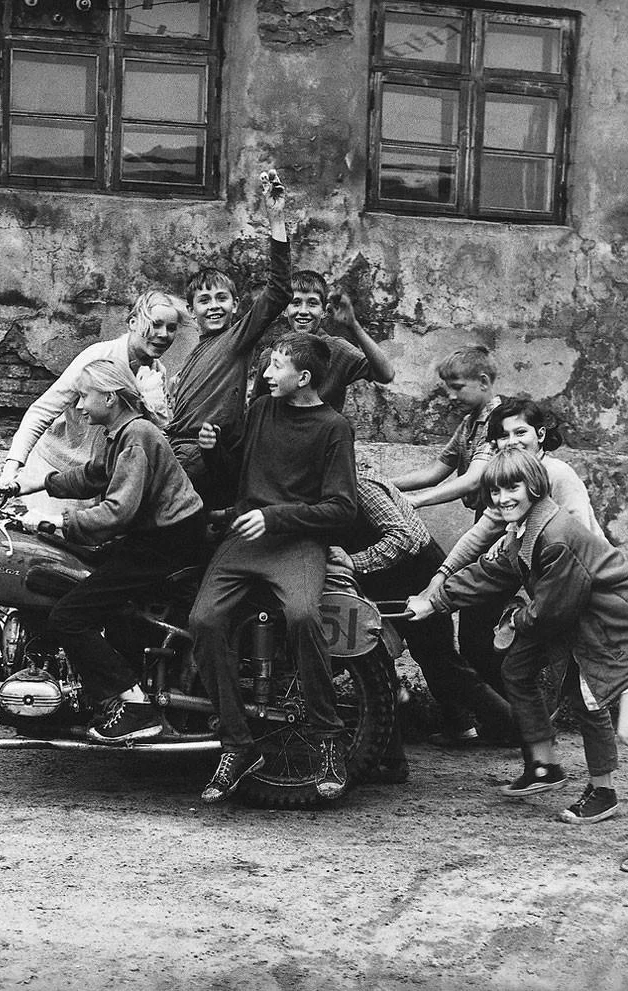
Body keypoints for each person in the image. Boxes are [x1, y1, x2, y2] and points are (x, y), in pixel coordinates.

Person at [405, 449, 628, 872]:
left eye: (512, 487)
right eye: (496, 491)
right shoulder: (525, 531)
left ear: (534, 487)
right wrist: (434, 600)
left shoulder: (555, 535)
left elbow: (552, 611)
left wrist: (514, 620)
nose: (503, 498)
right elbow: (491, 573)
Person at [426, 398, 621, 824]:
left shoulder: (555, 475)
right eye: (502, 436)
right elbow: (486, 539)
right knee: (516, 668)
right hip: (546, 588)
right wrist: (441, 578)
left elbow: (572, 539)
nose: (511, 441)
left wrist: (523, 596)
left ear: (541, 435)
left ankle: (604, 789)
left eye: (521, 432)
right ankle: (543, 765)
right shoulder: (509, 481)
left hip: (584, 592)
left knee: (583, 693)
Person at [0, 358, 206, 744]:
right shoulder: (122, 432)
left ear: (109, 398)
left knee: (68, 616)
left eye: (84, 396)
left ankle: (135, 706)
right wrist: (28, 485)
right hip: (158, 538)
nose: (78, 406)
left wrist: (55, 523)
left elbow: (117, 511)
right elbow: (92, 475)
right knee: (86, 585)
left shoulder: (137, 436)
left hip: (167, 544)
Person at [189, 332, 357, 804]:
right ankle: (237, 744)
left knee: (303, 617)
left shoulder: (334, 427)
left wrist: (275, 517)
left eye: (276, 366)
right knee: (203, 621)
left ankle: (328, 739)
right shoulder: (262, 409)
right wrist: (213, 451)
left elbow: (342, 508)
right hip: (244, 538)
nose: (265, 373)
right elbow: (235, 478)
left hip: (296, 543)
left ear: (303, 377)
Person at [327, 471, 511, 782]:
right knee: (381, 665)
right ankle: (404, 753)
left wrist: (355, 562)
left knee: (442, 664)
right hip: (386, 576)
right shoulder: (330, 484)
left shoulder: (359, 484)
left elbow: (403, 538)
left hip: (417, 573)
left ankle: (520, 729)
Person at [391, 344, 514, 740]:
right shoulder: (470, 422)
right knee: (476, 634)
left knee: (479, 636)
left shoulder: (501, 422)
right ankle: (498, 722)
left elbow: (474, 478)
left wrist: (416, 501)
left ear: (484, 381)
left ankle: (514, 725)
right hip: (488, 523)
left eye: (457, 386)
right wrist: (385, 484)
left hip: (507, 529)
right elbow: (436, 470)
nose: (450, 395)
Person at [0, 289, 190, 514]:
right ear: (133, 322)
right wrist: (11, 469)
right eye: (155, 324)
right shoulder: (98, 357)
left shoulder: (157, 373)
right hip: (57, 470)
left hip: (98, 477)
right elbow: (41, 411)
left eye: (171, 328)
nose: (163, 334)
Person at [165, 169, 292, 508]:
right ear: (191, 311)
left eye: (221, 298)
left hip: (201, 453)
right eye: (204, 301)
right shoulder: (194, 353)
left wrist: (276, 219)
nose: (213, 306)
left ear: (235, 305)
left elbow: (279, 292)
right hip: (175, 446)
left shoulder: (237, 339)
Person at [250, 271, 395, 411]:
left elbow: (386, 375)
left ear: (324, 311)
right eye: (296, 303)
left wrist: (353, 325)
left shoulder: (338, 349)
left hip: (325, 427)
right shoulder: (270, 356)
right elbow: (256, 408)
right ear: (284, 309)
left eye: (312, 303)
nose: (303, 311)